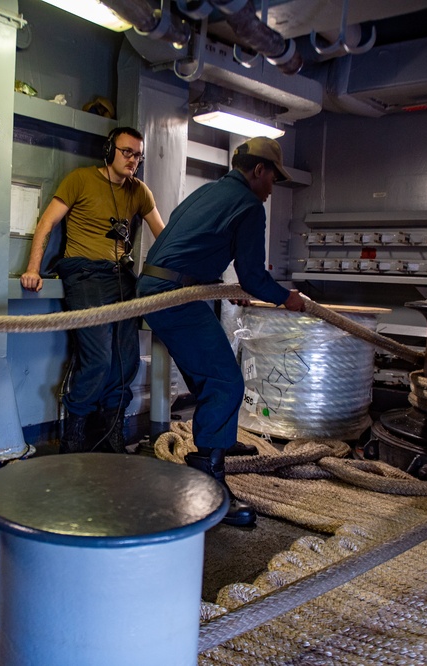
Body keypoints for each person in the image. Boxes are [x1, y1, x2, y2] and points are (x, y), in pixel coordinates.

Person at [136, 137, 309, 527]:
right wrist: (287, 298)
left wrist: (229, 289)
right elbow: (252, 274)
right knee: (226, 382)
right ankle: (207, 484)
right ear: (259, 171)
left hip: (163, 285)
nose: (270, 190)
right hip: (173, 295)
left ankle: (219, 442)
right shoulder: (248, 205)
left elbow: (190, 248)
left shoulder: (212, 191)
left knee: (213, 374)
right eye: (272, 180)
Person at [20, 127, 165, 454]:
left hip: (120, 277)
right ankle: (74, 438)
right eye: (127, 152)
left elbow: (164, 235)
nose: (133, 160)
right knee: (98, 359)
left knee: (126, 361)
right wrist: (32, 268)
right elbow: (47, 223)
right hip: (84, 273)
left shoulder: (139, 192)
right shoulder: (80, 180)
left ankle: (113, 434)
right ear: (109, 150)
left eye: (138, 155)